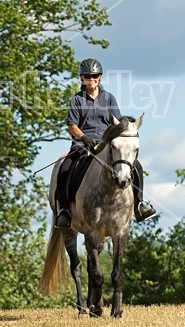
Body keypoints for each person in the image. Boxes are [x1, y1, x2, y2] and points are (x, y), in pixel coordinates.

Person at [55, 58, 157, 229]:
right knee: (65, 169)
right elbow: (72, 125)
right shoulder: (77, 100)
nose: (91, 79)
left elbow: (116, 123)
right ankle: (64, 211)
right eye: (87, 76)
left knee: (136, 166)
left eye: (94, 76)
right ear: (82, 78)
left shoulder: (109, 98)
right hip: (82, 146)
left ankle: (139, 205)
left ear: (100, 77)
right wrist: (84, 138)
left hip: (105, 145)